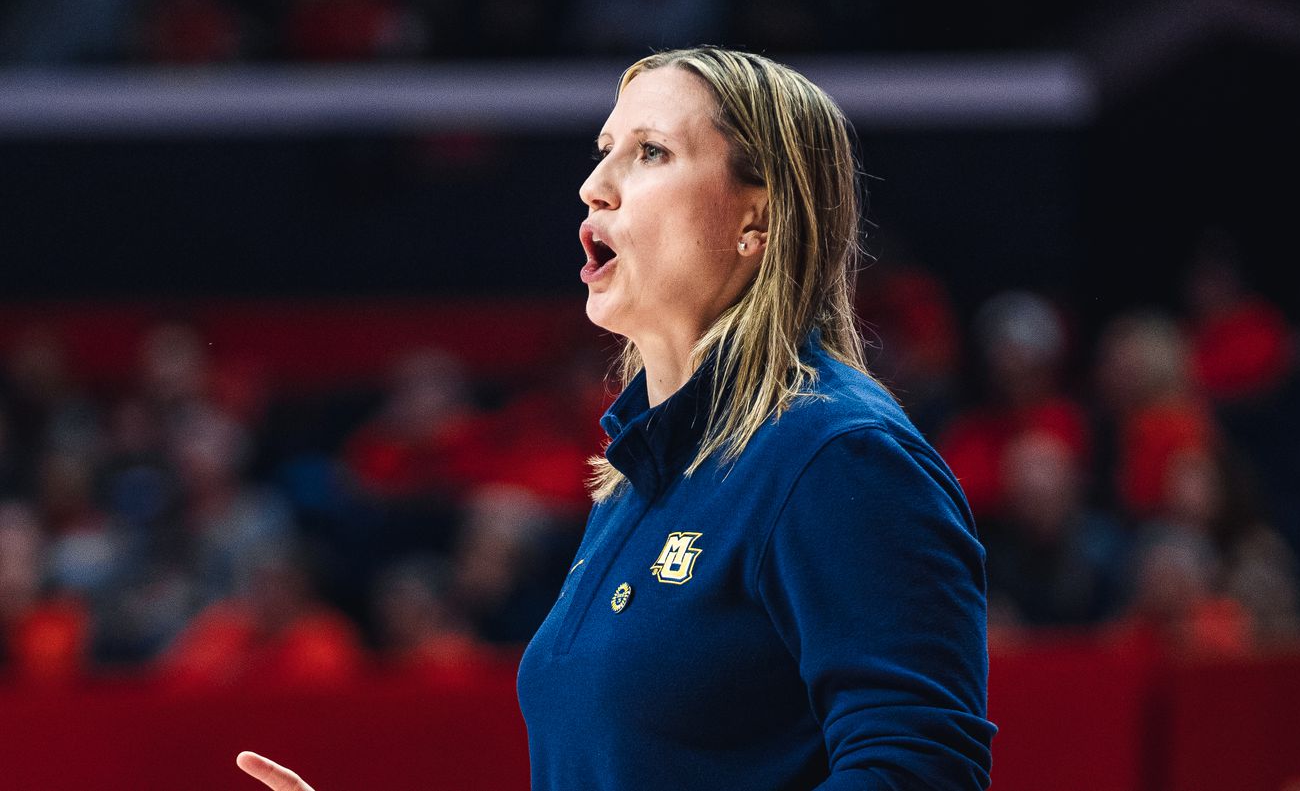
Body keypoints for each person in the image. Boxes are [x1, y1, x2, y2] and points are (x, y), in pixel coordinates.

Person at [236, 46, 995, 790]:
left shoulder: (838, 454)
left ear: (757, 218)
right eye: (604, 152)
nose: (595, 186)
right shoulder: (634, 477)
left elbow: (920, 768)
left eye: (651, 152)